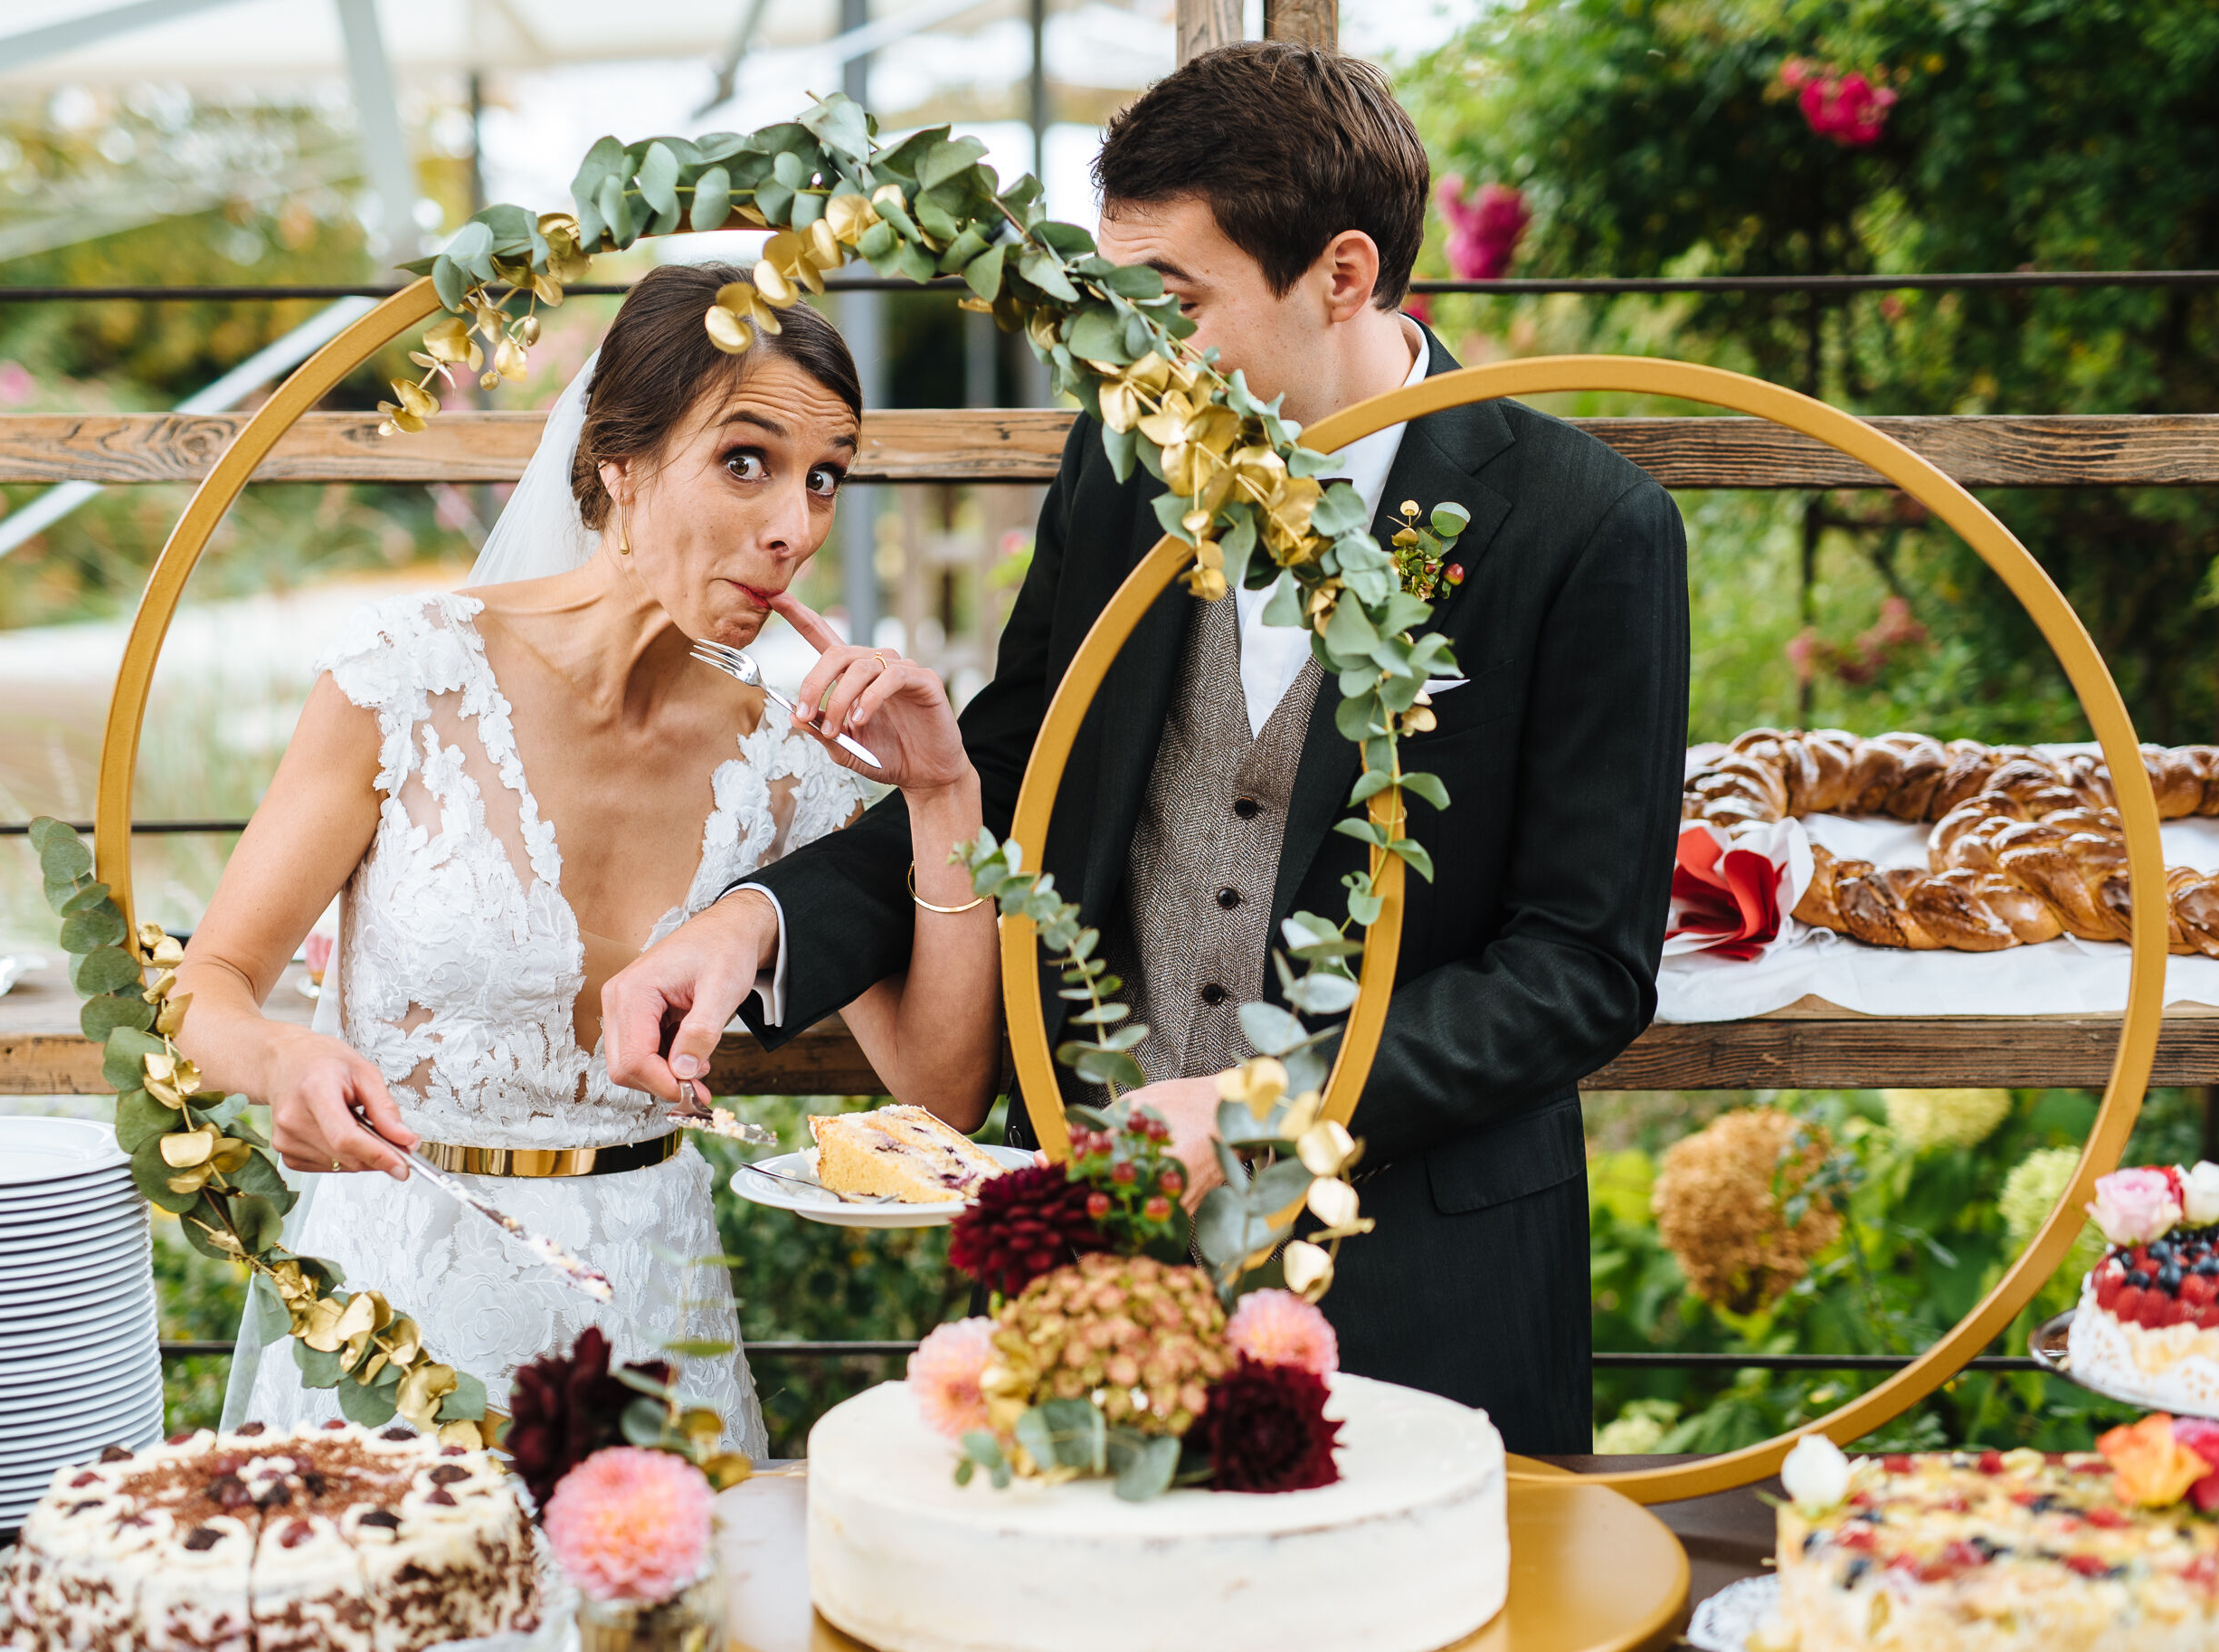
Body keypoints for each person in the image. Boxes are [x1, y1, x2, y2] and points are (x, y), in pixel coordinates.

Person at [604, 45, 1691, 1453]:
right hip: (1097, 1265)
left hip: (1425, 1280)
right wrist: (760, 920)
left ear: (1344, 275)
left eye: (1172, 305)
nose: (1135, 354)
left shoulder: (1585, 528)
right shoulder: (1122, 466)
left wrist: (1263, 1111)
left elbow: (1581, 970)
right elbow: (1012, 771)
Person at [183, 263, 998, 1454]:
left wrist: (940, 791)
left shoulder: (793, 762)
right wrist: (281, 1058)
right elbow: (202, 990)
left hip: (653, 1332)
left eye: (825, 479)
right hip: (392, 1324)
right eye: (745, 460)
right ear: (619, 462)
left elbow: (940, 1091)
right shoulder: (407, 679)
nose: (794, 527)